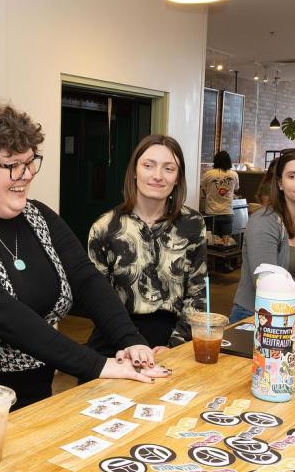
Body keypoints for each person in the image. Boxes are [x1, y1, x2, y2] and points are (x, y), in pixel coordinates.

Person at [0, 103, 169, 439]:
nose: (25, 175)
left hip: (33, 393)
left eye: (29, 163)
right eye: (12, 165)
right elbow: (4, 315)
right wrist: (99, 365)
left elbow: (86, 280)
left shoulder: (38, 217)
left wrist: (130, 341)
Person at [87, 134, 207, 355]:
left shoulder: (193, 224)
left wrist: (176, 345)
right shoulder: (104, 228)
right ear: (134, 171)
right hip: (117, 339)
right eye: (148, 166)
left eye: (169, 169)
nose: (157, 176)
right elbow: (98, 301)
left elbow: (198, 294)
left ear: (178, 177)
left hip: (174, 337)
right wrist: (130, 343)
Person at [231, 148, 295, 322]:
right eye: (292, 176)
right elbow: (268, 286)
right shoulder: (264, 222)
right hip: (254, 318)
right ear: (280, 183)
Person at [201, 150, 239, 250]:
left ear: (215, 161)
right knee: (226, 243)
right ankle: (226, 264)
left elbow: (203, 189)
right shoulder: (234, 175)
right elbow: (236, 189)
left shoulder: (208, 174)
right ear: (229, 161)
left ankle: (214, 264)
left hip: (211, 212)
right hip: (227, 212)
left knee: (213, 243)